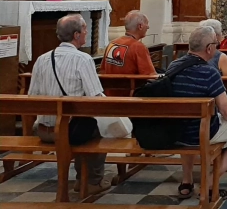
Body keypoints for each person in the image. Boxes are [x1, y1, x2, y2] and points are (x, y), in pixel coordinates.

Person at [28, 14, 111, 195]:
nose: (86, 33)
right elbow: (96, 97)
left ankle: (81, 179)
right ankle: (91, 181)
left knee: (83, 125)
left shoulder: (42, 59)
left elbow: (31, 96)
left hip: (43, 130)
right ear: (76, 35)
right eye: (84, 30)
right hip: (68, 132)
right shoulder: (83, 59)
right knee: (99, 131)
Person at [170, 26, 227, 200]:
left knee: (189, 122)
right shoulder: (209, 72)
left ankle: (187, 181)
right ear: (209, 48)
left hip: (174, 129)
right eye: (215, 44)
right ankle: (209, 182)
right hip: (201, 131)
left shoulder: (173, 65)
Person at [100, 11, 156, 96]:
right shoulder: (138, 47)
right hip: (129, 98)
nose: (148, 27)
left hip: (108, 95)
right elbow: (150, 76)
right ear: (140, 26)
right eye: (146, 24)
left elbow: (103, 70)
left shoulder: (112, 43)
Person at [199, 19, 227, 110]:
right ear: (216, 36)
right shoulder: (221, 57)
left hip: (194, 98)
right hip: (215, 100)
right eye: (221, 32)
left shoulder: (192, 54)